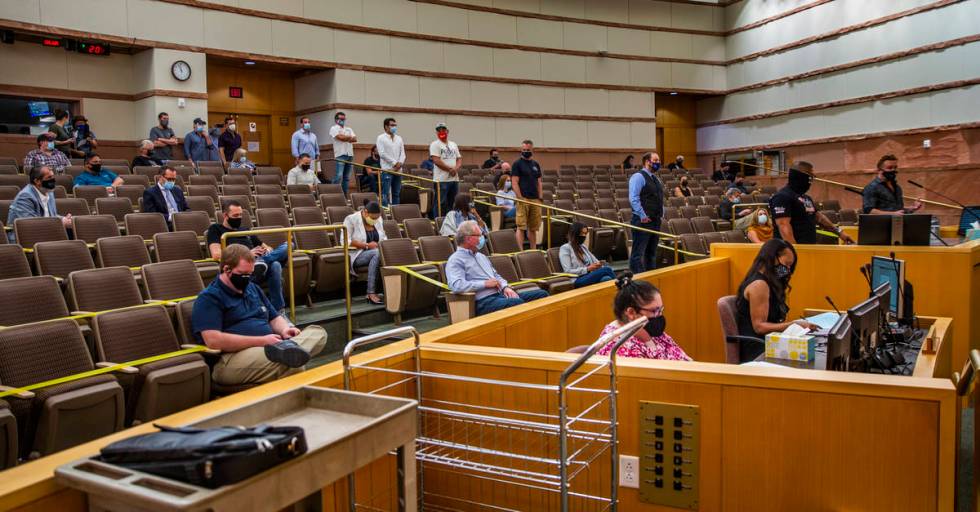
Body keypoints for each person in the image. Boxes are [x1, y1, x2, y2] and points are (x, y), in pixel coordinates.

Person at [191, 244, 327, 386]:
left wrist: (284, 330)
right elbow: (213, 341)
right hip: (231, 359)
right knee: (291, 363)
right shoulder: (209, 297)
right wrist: (262, 341)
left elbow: (273, 317)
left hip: (269, 347)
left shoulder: (252, 288)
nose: (247, 279)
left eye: (250, 274)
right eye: (243, 274)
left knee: (318, 333)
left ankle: (288, 350)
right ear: (226, 269)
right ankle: (289, 351)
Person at [446, 220, 548, 316]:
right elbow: (456, 286)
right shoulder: (455, 260)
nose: (482, 238)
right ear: (468, 238)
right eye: (479, 235)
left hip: (499, 295)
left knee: (541, 295)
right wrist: (484, 284)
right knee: (517, 303)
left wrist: (505, 287)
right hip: (481, 301)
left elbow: (496, 276)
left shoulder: (481, 256)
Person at [207, 200, 289, 313]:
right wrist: (247, 254)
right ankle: (279, 311)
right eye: (235, 215)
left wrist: (266, 251)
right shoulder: (216, 229)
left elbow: (268, 247)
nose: (239, 218)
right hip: (239, 269)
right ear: (225, 215)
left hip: (259, 265)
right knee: (275, 265)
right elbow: (216, 255)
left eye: (241, 215)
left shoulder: (245, 230)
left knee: (288, 246)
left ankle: (262, 262)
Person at [735, 239, 818, 344]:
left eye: (790, 267)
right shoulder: (759, 285)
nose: (788, 270)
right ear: (773, 257)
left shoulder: (768, 282)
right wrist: (794, 324)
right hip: (759, 346)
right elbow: (759, 327)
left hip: (770, 341)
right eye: (786, 264)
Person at [596, 272, 690, 360]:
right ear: (631, 312)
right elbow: (659, 373)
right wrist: (649, 343)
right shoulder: (620, 349)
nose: (659, 316)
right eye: (655, 311)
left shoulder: (646, 329)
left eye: (661, 310)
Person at [770, 163, 852, 245]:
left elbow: (820, 218)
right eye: (810, 175)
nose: (811, 180)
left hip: (808, 248)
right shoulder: (782, 196)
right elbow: (783, 225)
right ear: (800, 176)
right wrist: (794, 252)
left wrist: (840, 233)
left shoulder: (806, 198)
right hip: (793, 252)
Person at [6, 166, 72, 242]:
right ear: (37, 181)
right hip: (26, 239)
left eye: (53, 176)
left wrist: (64, 220)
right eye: (49, 177)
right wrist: (59, 223)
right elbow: (31, 224)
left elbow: (50, 216)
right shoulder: (25, 197)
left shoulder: (49, 192)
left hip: (45, 235)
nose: (53, 180)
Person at [342, 201, 386, 305]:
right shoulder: (351, 219)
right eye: (373, 218)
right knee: (377, 253)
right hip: (356, 255)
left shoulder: (378, 219)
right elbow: (345, 241)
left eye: (377, 218)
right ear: (365, 212)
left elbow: (383, 236)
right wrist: (366, 245)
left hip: (374, 252)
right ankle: (370, 293)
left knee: (383, 253)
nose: (375, 220)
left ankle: (389, 290)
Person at [628, 152, 665, 273]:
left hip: (655, 220)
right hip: (642, 220)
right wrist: (642, 215)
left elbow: (659, 198)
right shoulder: (638, 176)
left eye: (658, 160)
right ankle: (638, 280)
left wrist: (661, 214)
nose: (658, 163)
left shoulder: (656, 178)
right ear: (647, 161)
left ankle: (650, 278)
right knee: (638, 253)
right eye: (655, 160)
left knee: (652, 252)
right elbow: (634, 198)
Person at [560, 222, 615, 288]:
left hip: (589, 275)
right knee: (607, 269)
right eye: (582, 233)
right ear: (575, 233)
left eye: (585, 234)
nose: (584, 236)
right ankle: (623, 287)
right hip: (577, 279)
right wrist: (587, 269)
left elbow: (595, 261)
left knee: (606, 278)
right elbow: (567, 271)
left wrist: (599, 264)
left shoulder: (583, 247)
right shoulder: (565, 248)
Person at [510, 140, 543, 250]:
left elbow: (539, 182)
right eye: (524, 150)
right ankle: (520, 251)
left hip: (535, 199)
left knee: (533, 228)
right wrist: (520, 197)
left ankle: (533, 249)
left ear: (532, 150)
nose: (526, 151)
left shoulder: (535, 164)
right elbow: (514, 182)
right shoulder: (517, 164)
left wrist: (540, 197)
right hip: (523, 199)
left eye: (528, 150)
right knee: (521, 227)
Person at [430, 122, 461, 218]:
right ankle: (439, 222)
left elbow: (459, 158)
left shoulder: (453, 144)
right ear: (436, 132)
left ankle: (451, 222)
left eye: (443, 130)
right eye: (439, 130)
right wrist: (449, 169)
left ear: (447, 131)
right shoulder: (435, 144)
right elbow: (436, 160)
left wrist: (455, 169)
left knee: (453, 203)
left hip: (454, 179)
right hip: (441, 180)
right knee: (440, 203)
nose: (441, 131)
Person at [376, 117, 405, 207]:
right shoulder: (381, 138)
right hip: (387, 170)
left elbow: (403, 153)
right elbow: (382, 153)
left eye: (395, 125)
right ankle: (385, 212)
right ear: (386, 126)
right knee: (385, 193)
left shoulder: (399, 138)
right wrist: (394, 163)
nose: (394, 127)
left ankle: (396, 212)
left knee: (396, 193)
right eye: (392, 125)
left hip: (398, 170)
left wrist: (400, 163)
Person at [328, 112, 357, 195]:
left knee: (347, 177)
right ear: (336, 120)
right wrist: (348, 137)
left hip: (350, 154)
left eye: (344, 119)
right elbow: (340, 138)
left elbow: (355, 139)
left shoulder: (349, 129)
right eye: (341, 119)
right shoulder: (333, 128)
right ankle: (332, 193)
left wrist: (345, 137)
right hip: (340, 154)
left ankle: (344, 196)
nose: (342, 120)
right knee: (339, 176)